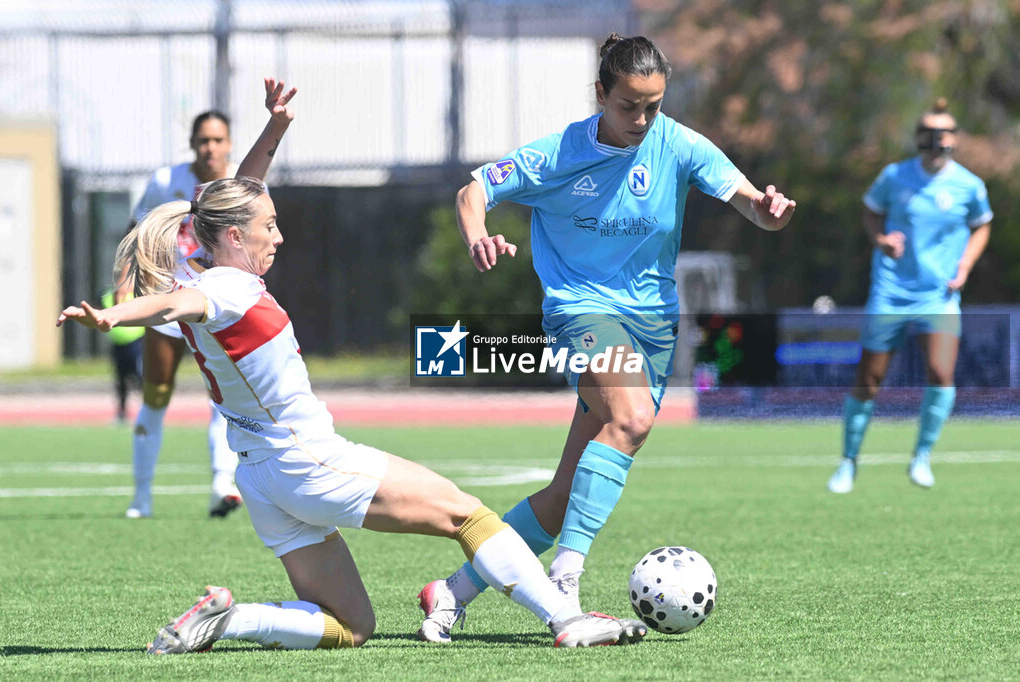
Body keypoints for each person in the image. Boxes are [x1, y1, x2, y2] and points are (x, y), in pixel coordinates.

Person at [56, 81, 646, 652]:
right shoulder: (225, 285)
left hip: (261, 478)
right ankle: (567, 619)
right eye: (270, 228)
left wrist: (277, 127)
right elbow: (174, 302)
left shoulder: (203, 258)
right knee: (469, 517)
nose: (279, 238)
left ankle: (229, 620)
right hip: (307, 459)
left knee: (350, 624)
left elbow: (241, 196)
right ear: (234, 237)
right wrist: (115, 318)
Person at [416, 33, 795, 643]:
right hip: (580, 315)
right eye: (629, 106)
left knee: (565, 495)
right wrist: (477, 233)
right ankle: (566, 583)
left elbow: (747, 199)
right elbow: (473, 191)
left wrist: (768, 211)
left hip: (652, 325)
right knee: (634, 420)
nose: (643, 119)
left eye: (653, 105)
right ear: (601, 95)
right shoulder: (560, 153)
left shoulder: (679, 143)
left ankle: (452, 590)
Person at [827, 98, 992, 493]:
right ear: (919, 137)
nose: (938, 140)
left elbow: (982, 226)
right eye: (931, 133)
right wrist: (881, 240)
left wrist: (965, 265)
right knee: (870, 379)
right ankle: (848, 461)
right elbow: (870, 211)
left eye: (945, 133)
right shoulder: (894, 176)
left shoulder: (969, 185)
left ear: (954, 138)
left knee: (941, 374)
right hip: (892, 291)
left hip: (939, 295)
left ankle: (922, 457)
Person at [124, 107, 243, 519]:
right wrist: (128, 280)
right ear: (192, 143)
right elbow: (136, 227)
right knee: (156, 395)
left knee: (223, 398)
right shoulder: (165, 181)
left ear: (229, 144)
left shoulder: (239, 186)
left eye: (218, 140)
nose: (210, 147)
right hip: (169, 302)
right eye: (203, 140)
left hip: (218, 304)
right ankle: (141, 497)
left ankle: (221, 486)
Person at [100, 287, 144, 424]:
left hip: (137, 344)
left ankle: (149, 411)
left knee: (141, 378)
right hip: (118, 346)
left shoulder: (138, 295)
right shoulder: (106, 297)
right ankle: (121, 412)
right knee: (120, 380)